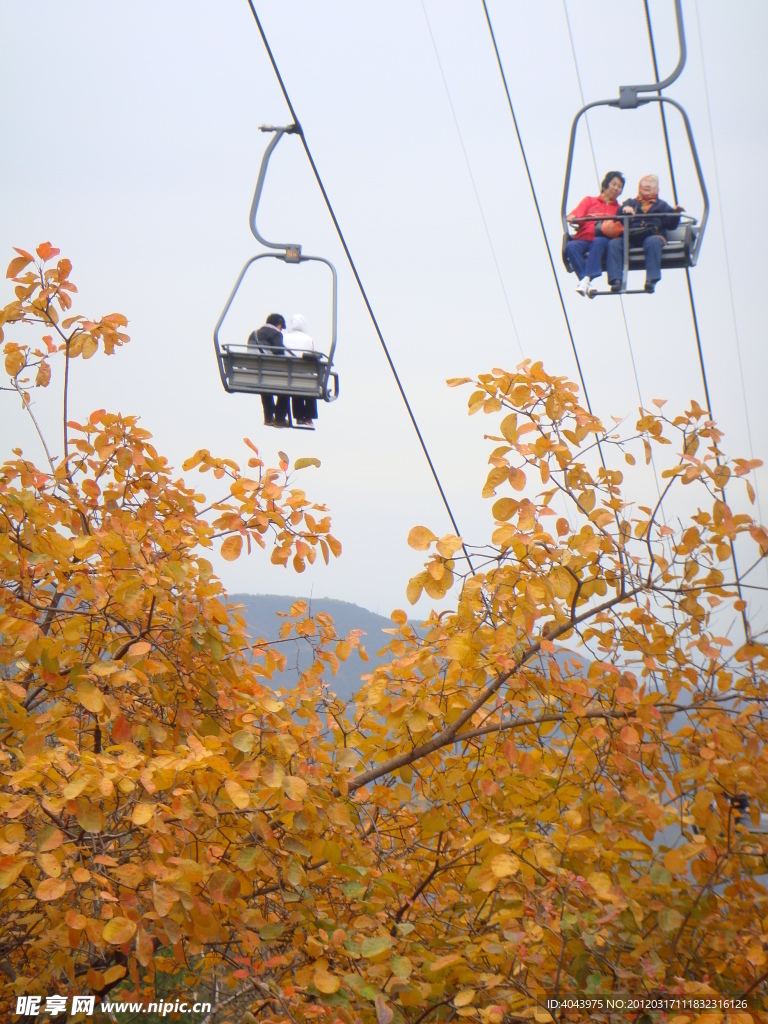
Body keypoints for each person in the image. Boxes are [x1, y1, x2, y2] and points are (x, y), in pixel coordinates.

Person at [606, 174, 685, 293]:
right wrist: (625, 210)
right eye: (644, 182)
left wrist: (675, 213)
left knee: (652, 242)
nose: (647, 185)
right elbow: (619, 212)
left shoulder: (662, 205)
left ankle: (651, 280)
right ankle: (615, 280)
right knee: (614, 244)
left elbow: (671, 224)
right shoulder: (631, 202)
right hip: (632, 237)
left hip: (652, 235)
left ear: (657, 189)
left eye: (651, 183)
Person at [565, 171, 625, 298]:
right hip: (584, 237)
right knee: (571, 247)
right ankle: (586, 283)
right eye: (613, 184)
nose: (616, 188)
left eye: (619, 187)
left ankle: (586, 279)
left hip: (602, 240)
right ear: (605, 186)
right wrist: (573, 216)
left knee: (599, 241)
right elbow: (578, 213)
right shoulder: (590, 201)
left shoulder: (619, 209)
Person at [248, 313, 289, 426]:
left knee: (265, 384)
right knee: (288, 385)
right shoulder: (276, 334)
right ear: (279, 324)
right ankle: (280, 417)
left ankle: (268, 417)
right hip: (270, 372)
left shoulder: (253, 334)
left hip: (253, 373)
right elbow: (279, 352)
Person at [284, 313, 318, 426]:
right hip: (306, 375)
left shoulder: (285, 337)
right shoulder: (308, 339)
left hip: (289, 375)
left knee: (295, 390)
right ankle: (309, 417)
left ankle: (299, 417)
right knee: (309, 387)